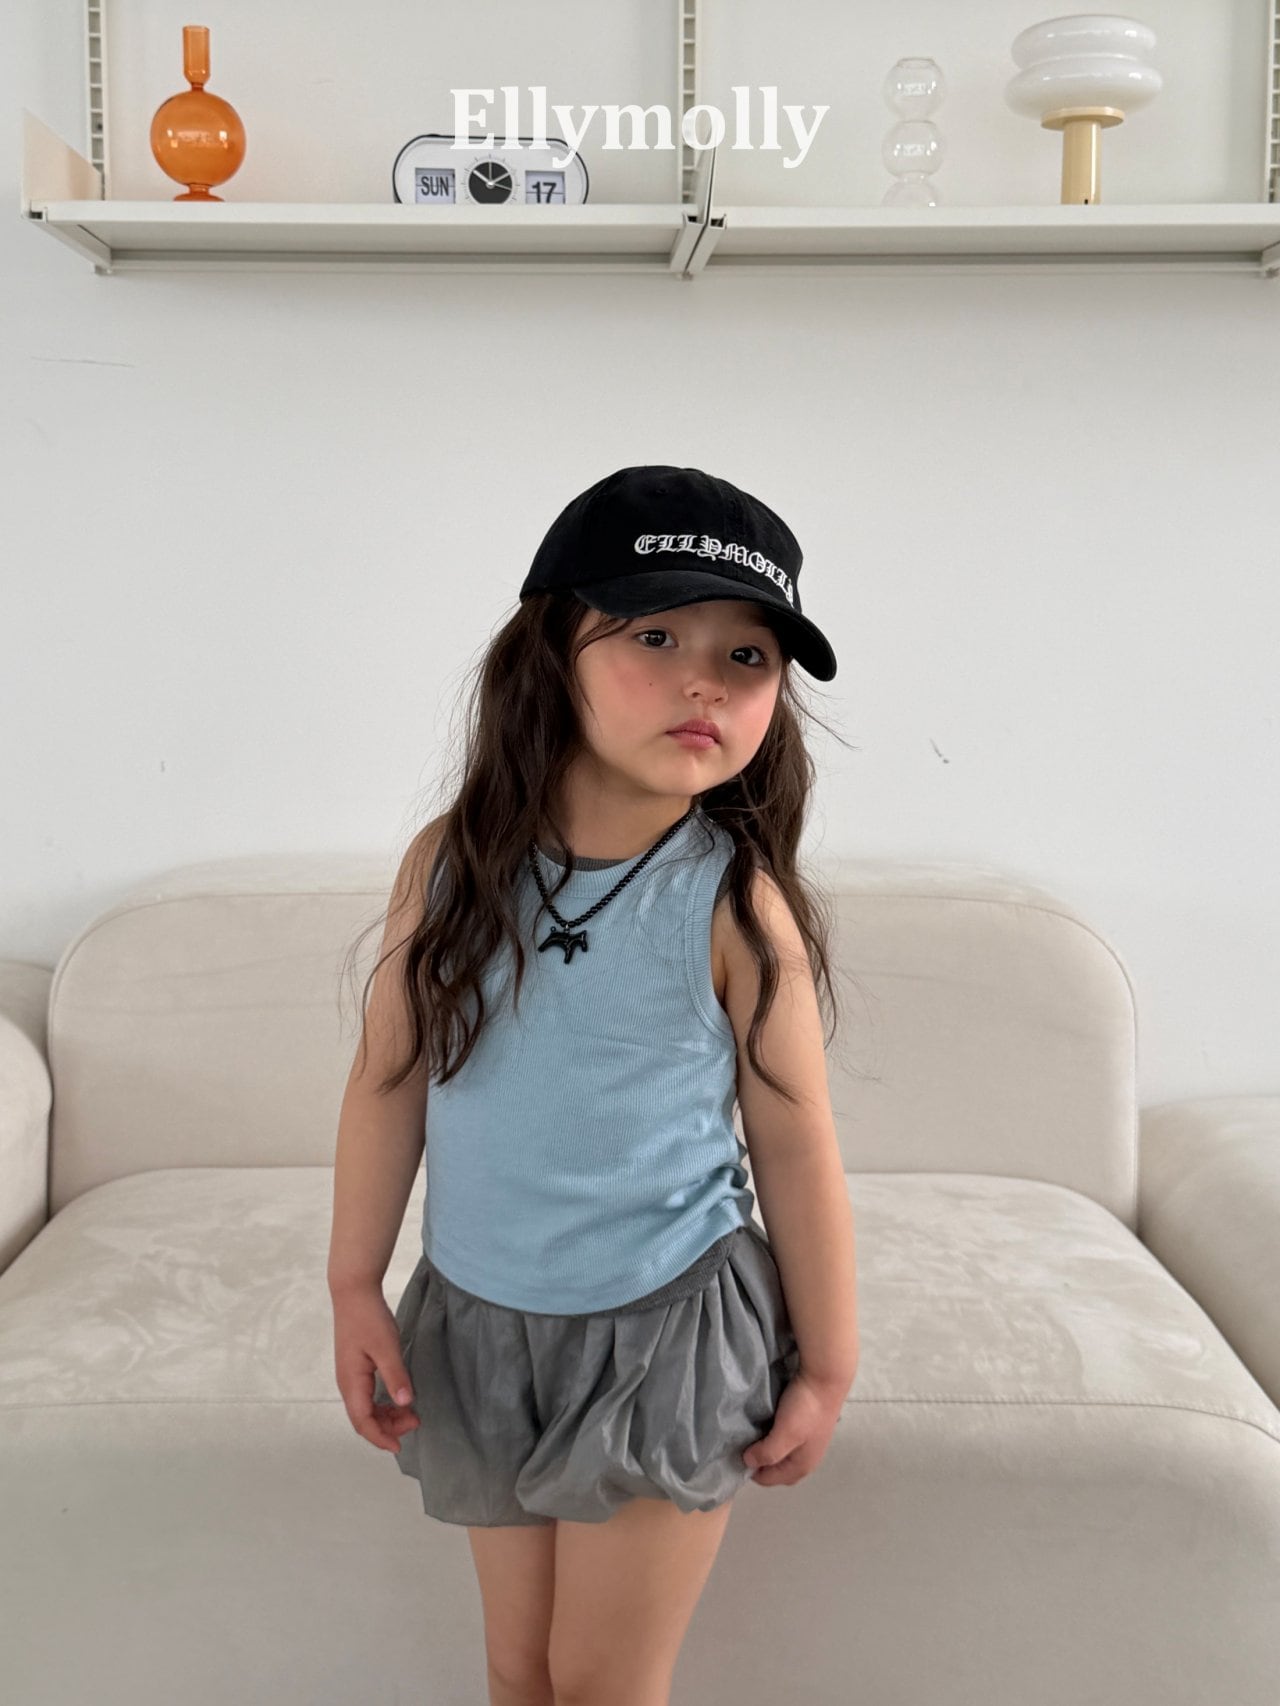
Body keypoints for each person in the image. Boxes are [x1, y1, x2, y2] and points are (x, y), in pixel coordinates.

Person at [328, 464, 859, 1706]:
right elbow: (389, 1075)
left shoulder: (733, 904)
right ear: (547, 654)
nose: (702, 680)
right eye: (655, 634)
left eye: (745, 656)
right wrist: (353, 1280)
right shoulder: (448, 867)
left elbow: (796, 1147)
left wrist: (826, 1364)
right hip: (480, 1322)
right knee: (520, 1672)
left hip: (663, 1332)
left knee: (602, 1681)